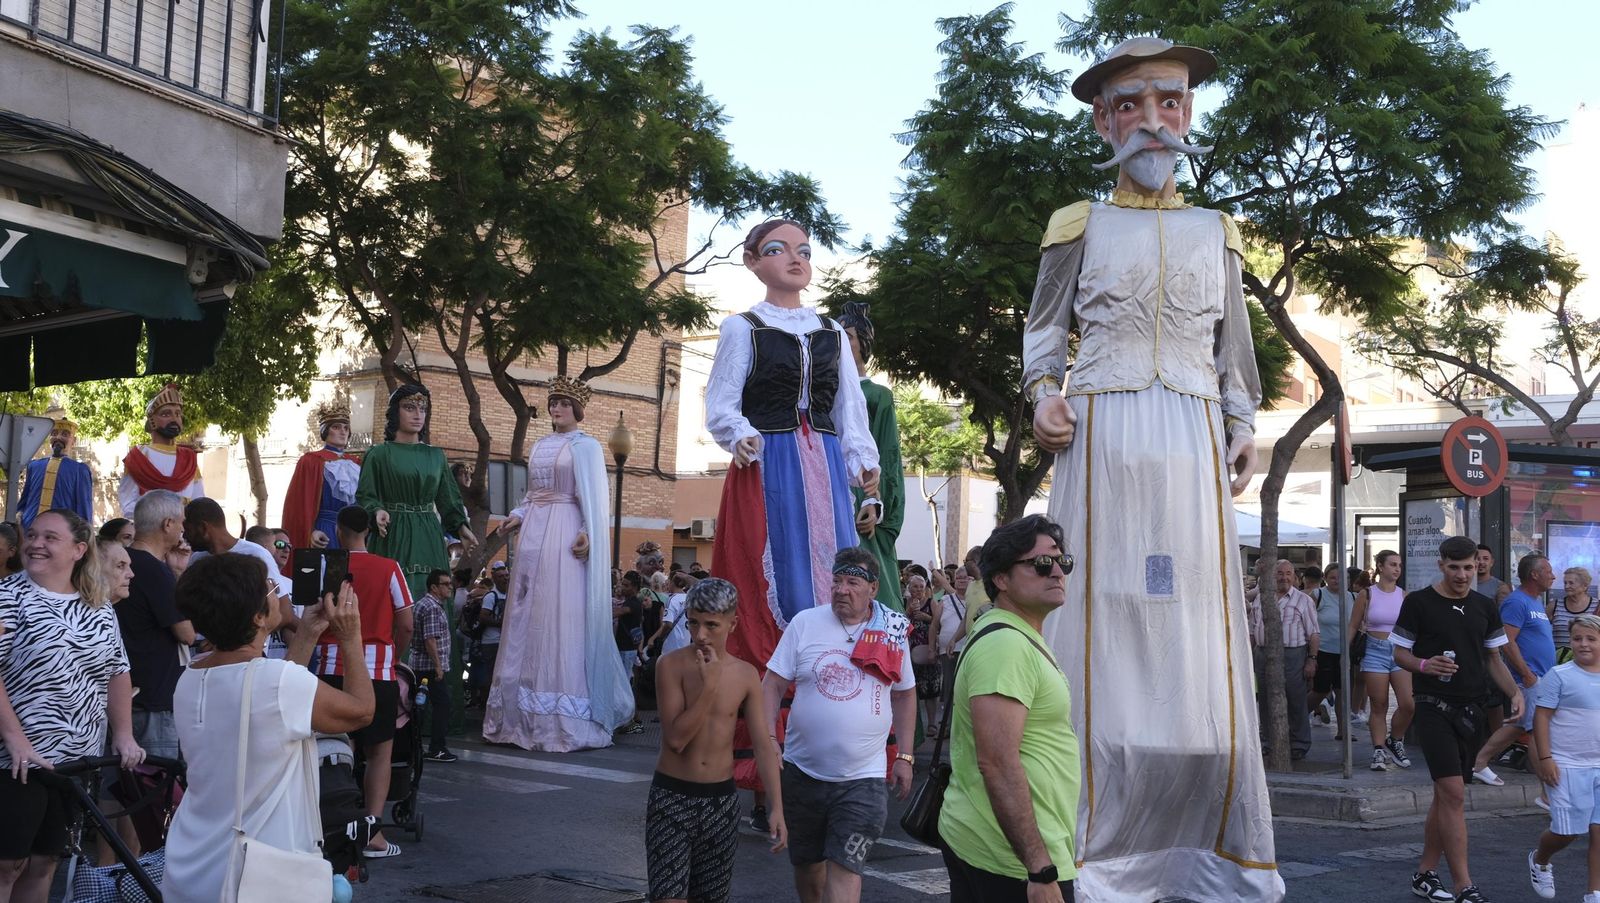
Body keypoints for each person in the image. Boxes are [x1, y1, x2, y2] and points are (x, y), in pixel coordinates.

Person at [1021, 36, 1277, 898]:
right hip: (1104, 426)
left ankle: (1208, 838)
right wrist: (1041, 393)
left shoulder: (1219, 231)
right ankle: (1093, 832)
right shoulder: (1077, 223)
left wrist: (1245, 423)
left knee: (1193, 602)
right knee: (1100, 594)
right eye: (1130, 104)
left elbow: (1234, 349)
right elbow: (1045, 330)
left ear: (1189, 113)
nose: (1152, 120)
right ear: (1103, 123)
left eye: (1168, 101)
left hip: (1197, 430)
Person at [704, 219, 880, 669]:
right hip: (769, 460)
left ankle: (836, 676)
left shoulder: (831, 331)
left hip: (822, 460)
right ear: (753, 262)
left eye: (804, 251)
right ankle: (775, 687)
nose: (795, 258)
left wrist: (861, 461)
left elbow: (849, 407)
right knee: (777, 567)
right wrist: (741, 435)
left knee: (833, 564)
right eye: (779, 249)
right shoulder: (742, 328)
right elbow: (722, 402)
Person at [161, 552, 375, 903]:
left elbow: (272, 702)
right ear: (259, 617)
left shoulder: (190, 676)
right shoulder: (275, 683)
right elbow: (361, 711)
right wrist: (350, 637)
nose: (278, 593)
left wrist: (306, 634)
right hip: (257, 872)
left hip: (193, 862)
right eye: (272, 589)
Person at [483, 377, 634, 752]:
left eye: (564, 403)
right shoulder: (540, 445)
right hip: (534, 531)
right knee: (526, 614)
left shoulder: (587, 447)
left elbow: (595, 499)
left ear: (577, 409)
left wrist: (588, 531)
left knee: (559, 612)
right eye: (553, 402)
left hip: (565, 529)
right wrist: (516, 515)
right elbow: (532, 494)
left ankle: (563, 718)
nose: (557, 409)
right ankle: (518, 716)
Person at [0, 509, 142, 901]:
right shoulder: (7, 597)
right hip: (17, 763)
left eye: (50, 537)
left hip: (77, 762)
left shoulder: (97, 606)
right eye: (31, 536)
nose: (35, 544)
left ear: (80, 549)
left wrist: (125, 736)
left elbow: (118, 671)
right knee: (6, 863)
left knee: (46, 862)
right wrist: (16, 741)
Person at [760, 547, 915, 903]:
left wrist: (905, 756)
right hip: (802, 774)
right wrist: (769, 736)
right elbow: (772, 684)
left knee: (847, 869)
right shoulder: (805, 623)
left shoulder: (891, 629)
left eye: (852, 582)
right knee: (808, 868)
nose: (841, 589)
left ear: (873, 588)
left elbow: (905, 695)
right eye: (837, 581)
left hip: (863, 780)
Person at [941, 514, 1079, 902]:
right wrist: (1039, 868)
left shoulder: (1018, 636)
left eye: (1061, 561)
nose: (1056, 571)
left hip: (1004, 848)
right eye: (1040, 563)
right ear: (1001, 579)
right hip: (1011, 860)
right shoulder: (1005, 646)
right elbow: (997, 762)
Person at [1391, 535, 1524, 903]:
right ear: (1441, 565)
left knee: (1444, 797)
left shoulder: (1484, 606)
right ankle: (1465, 884)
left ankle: (1424, 874)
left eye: (1469, 567)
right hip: (1432, 707)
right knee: (1453, 794)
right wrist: (1423, 664)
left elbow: (1493, 659)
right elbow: (1400, 654)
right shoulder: (1418, 603)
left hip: (1472, 711)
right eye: (1455, 567)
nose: (1463, 574)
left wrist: (1514, 692)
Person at [649, 578, 787, 903]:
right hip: (672, 797)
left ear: (732, 624)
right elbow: (676, 739)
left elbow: (763, 745)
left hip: (720, 802)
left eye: (711, 625)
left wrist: (777, 807)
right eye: (692, 623)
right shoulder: (670, 665)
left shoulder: (745, 674)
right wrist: (709, 687)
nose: (700, 635)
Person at [313, 505, 413, 859]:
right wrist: (394, 657)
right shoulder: (389, 568)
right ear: (369, 530)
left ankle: (334, 828)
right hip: (378, 670)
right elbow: (405, 622)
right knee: (379, 753)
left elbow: (309, 612)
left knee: (336, 750)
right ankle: (373, 833)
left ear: (339, 530)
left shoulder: (328, 565)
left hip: (331, 667)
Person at [358, 384, 477, 599]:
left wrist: (461, 527)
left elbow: (448, 498)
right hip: (393, 533)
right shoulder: (378, 454)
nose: (417, 415)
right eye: (409, 408)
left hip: (428, 534)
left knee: (431, 591)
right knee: (394, 593)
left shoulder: (436, 456)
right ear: (395, 411)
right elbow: (366, 495)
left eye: (422, 409)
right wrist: (376, 511)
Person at [114, 490, 195, 763]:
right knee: (156, 794)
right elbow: (187, 634)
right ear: (167, 524)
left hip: (126, 694)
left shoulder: (119, 561)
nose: (184, 528)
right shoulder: (154, 571)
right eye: (181, 522)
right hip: (152, 700)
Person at [837, 300, 905, 613]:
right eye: (837, 334)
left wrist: (876, 503)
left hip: (860, 493)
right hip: (825, 488)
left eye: (848, 335)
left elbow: (888, 457)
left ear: (863, 343)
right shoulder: (823, 391)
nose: (842, 341)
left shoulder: (877, 395)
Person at [1527, 612, 1600, 903]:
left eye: (1591, 639)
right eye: (1577, 638)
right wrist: (1545, 759)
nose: (1584, 644)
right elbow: (1541, 718)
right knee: (1568, 832)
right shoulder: (1559, 675)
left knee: (1598, 832)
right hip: (1567, 765)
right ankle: (1541, 859)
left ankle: (1594, 893)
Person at [1472, 552, 1556, 786]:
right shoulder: (1516, 602)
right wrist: (1526, 675)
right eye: (1549, 572)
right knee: (1536, 732)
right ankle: (1548, 792)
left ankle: (1478, 763)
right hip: (1530, 678)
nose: (1554, 576)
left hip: (1541, 678)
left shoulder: (1535, 601)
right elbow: (1506, 641)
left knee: (1519, 725)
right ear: (1534, 574)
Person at [184, 498, 296, 656]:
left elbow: (285, 612)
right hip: (203, 659)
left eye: (187, 530)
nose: (185, 537)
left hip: (247, 659)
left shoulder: (256, 554)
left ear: (203, 528)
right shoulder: (196, 559)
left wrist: (230, 639)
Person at [1349, 549, 1416, 771]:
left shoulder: (1403, 595)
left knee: (1408, 704)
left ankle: (1395, 740)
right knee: (1379, 704)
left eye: (1399, 565)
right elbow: (1353, 625)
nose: (1397, 569)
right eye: (1392, 564)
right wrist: (1344, 650)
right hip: (1374, 649)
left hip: (1399, 650)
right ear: (1380, 566)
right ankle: (1378, 749)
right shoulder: (1367, 594)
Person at [1259, 559, 1320, 760]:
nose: (1283, 577)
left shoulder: (1304, 600)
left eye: (1287, 573)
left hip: (1293, 655)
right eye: (1279, 573)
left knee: (1295, 698)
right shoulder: (1261, 598)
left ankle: (1299, 743)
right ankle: (1267, 740)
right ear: (1272, 575)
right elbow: (1252, 628)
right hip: (1263, 653)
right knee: (1266, 698)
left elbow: (1313, 633)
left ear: (1295, 577)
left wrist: (1312, 659)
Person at [283, 399, 363, 550]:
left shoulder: (356, 463)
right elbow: (299, 504)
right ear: (325, 430)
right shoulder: (311, 461)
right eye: (336, 427)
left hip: (354, 534)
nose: (343, 431)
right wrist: (310, 532)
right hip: (326, 531)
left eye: (346, 428)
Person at [118, 383, 204, 515]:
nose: (174, 419)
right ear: (152, 421)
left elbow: (199, 501)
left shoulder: (189, 458)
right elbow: (129, 505)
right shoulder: (139, 456)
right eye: (166, 414)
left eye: (178, 414)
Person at [408, 569, 457, 763]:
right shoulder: (432, 607)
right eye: (445, 584)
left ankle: (413, 746)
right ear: (434, 587)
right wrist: (438, 666)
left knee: (419, 707)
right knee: (441, 705)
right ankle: (436, 748)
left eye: (450, 583)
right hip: (428, 666)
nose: (450, 587)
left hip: (422, 665)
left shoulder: (428, 604)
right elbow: (430, 640)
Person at [17, 409, 92, 529]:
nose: (58, 437)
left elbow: (83, 509)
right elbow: (23, 503)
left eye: (65, 434)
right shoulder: (33, 466)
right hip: (29, 530)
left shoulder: (80, 470)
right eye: (54, 433)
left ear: (73, 441)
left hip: (61, 534)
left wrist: (84, 535)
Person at [1310, 562, 1355, 737]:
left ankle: (1344, 731)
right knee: (1319, 691)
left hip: (1345, 653)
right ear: (1325, 579)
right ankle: (1297, 719)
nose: (1337, 581)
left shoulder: (1353, 597)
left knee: (1343, 692)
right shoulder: (1318, 595)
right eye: (1333, 577)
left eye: (1342, 577)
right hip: (1323, 651)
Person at [905, 574, 943, 733]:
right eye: (915, 586)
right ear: (909, 588)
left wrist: (926, 617)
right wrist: (909, 612)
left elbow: (940, 624)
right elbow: (901, 622)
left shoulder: (931, 602)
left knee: (930, 690)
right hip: (911, 651)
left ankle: (932, 723)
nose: (918, 590)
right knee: (912, 690)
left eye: (921, 586)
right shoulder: (905, 602)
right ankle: (914, 727)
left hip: (928, 650)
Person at [468, 561, 506, 709]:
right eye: (501, 576)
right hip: (491, 642)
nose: (505, 579)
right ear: (494, 578)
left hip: (504, 642)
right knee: (489, 676)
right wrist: (502, 624)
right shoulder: (491, 596)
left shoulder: (509, 595)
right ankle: (486, 707)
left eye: (506, 575)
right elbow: (483, 617)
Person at [1551, 567, 1599, 663]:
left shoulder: (1597, 606)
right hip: (1558, 662)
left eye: (1571, 583)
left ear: (1585, 586)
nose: (1566, 586)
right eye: (1565, 583)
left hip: (1588, 662)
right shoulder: (1554, 606)